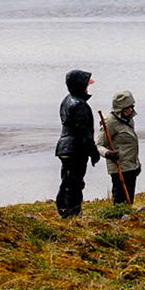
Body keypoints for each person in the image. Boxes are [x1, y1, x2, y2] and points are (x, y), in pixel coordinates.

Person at [53, 69, 100, 217]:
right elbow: (83, 133)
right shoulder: (80, 105)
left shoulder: (67, 100)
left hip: (64, 147)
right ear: (80, 86)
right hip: (75, 149)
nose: (88, 87)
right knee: (75, 182)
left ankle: (63, 208)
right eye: (86, 85)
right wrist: (93, 152)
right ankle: (73, 212)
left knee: (67, 180)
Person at [99, 90, 141, 205]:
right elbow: (99, 145)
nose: (130, 110)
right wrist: (107, 153)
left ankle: (126, 218)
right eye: (127, 107)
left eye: (131, 106)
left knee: (129, 199)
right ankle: (118, 218)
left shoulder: (129, 119)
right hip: (119, 167)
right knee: (120, 199)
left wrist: (137, 164)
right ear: (119, 108)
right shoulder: (110, 122)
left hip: (131, 166)